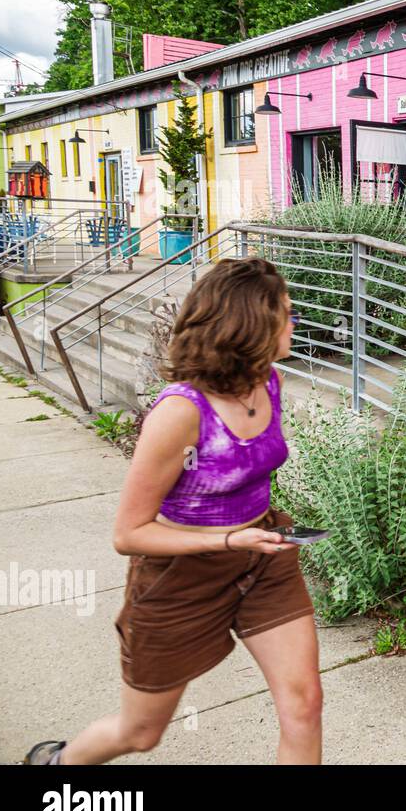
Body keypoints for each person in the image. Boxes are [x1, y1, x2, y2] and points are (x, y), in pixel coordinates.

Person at [24, 257, 322, 765]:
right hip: (179, 577)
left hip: (263, 555)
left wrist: (249, 536)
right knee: (141, 733)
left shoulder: (267, 380)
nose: (295, 324)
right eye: (286, 315)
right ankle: (58, 763)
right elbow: (130, 533)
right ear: (251, 325)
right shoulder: (181, 412)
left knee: (304, 703)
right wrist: (227, 539)